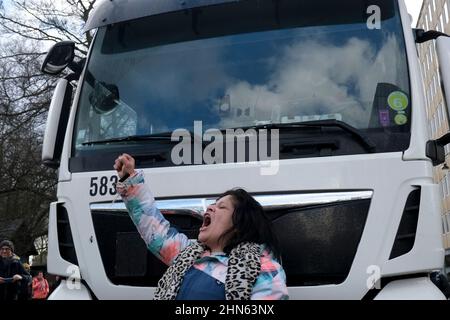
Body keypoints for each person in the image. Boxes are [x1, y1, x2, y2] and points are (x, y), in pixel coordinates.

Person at [114, 153, 288, 300]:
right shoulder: (187, 254)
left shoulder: (265, 270)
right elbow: (154, 229)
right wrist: (130, 179)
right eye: (213, 204)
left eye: (222, 207)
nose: (210, 207)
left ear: (240, 225)